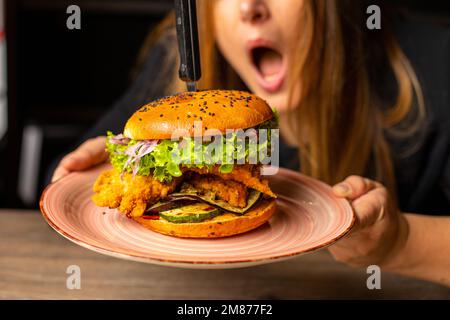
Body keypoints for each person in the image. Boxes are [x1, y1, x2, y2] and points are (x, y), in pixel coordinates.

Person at [51, 1, 450, 286]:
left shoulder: (434, 64)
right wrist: (110, 163)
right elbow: (81, 168)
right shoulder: (177, 54)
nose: (248, 7)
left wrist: (401, 243)